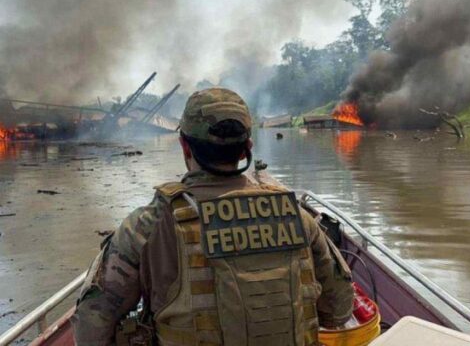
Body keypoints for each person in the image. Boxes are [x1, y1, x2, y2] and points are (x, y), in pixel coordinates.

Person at [72, 88, 354, 346]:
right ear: (248, 148)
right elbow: (339, 310)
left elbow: (91, 329)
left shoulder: (148, 225)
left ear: (185, 146)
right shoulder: (296, 215)